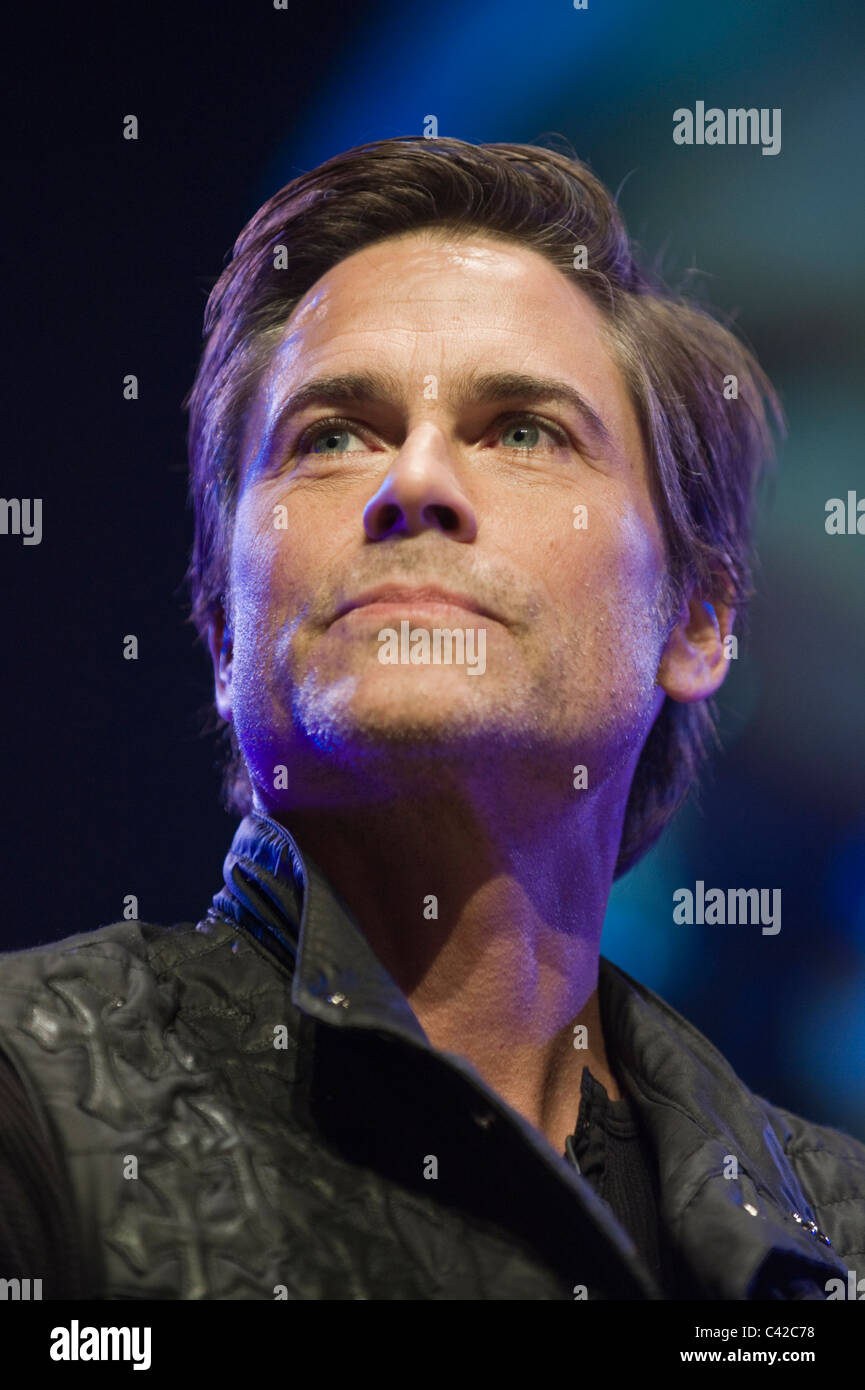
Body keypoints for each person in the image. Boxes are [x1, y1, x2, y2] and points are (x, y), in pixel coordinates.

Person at [1, 136, 862, 1302]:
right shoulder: (25, 1096)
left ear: (697, 622)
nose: (413, 479)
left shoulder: (838, 1241)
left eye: (522, 429)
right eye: (331, 435)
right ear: (221, 632)